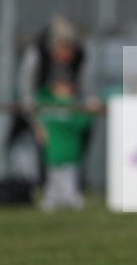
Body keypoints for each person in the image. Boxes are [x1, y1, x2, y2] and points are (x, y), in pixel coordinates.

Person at [13, 14, 98, 185]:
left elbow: (86, 89)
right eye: (62, 48)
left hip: (68, 113)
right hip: (41, 111)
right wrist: (36, 123)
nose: (66, 55)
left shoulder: (80, 56)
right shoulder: (36, 54)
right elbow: (26, 93)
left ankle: (75, 183)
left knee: (75, 145)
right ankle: (42, 183)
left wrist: (89, 103)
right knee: (41, 146)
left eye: (69, 49)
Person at [35, 79, 92, 211]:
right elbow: (82, 124)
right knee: (65, 177)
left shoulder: (47, 104)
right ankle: (65, 199)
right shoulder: (71, 105)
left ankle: (55, 199)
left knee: (56, 176)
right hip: (67, 149)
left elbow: (38, 103)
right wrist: (90, 112)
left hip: (55, 150)